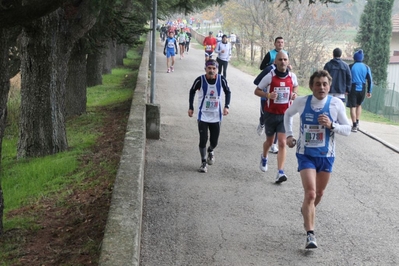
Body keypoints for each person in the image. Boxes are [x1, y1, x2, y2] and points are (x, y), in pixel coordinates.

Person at [284, 70, 351, 249]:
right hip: (305, 155)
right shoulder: (302, 102)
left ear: (329, 86)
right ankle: (310, 235)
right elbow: (287, 114)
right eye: (317, 84)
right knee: (311, 193)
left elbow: (348, 128)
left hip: (326, 156)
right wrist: (289, 135)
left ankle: (307, 209)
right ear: (311, 86)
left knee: (318, 194)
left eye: (324, 84)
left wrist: (331, 125)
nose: (321, 87)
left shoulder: (336, 104)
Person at [254, 51, 298, 183]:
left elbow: (295, 86)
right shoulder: (270, 76)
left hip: (285, 115)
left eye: (285, 59)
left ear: (288, 62)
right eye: (280, 59)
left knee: (282, 143)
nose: (283, 62)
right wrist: (268, 95)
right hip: (271, 113)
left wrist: (294, 94)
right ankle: (264, 156)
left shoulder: (292, 76)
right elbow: (257, 90)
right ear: (275, 62)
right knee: (269, 141)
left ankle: (280, 172)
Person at [188, 59, 231, 173]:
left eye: (214, 68)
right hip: (203, 116)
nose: (211, 70)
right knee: (203, 139)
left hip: (216, 116)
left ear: (217, 69)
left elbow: (228, 92)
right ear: (205, 69)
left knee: (214, 141)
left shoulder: (221, 79)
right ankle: (203, 162)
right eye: (209, 68)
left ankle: (210, 150)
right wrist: (191, 107)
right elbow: (192, 91)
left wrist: (227, 106)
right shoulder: (200, 80)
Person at [257, 37, 290, 153]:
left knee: (280, 123)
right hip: (267, 92)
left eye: (282, 42)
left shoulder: (286, 55)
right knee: (264, 113)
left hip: (282, 106)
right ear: (275, 43)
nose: (283, 62)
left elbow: (293, 82)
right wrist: (270, 66)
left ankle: (274, 145)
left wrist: (293, 93)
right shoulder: (270, 55)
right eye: (278, 42)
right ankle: (262, 123)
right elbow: (261, 67)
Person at [346, 49, 373, 132]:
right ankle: (357, 122)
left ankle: (354, 125)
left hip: (353, 88)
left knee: (352, 107)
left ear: (354, 58)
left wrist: (346, 89)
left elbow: (347, 78)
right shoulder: (366, 67)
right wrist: (369, 91)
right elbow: (370, 80)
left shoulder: (350, 66)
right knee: (359, 105)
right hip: (362, 88)